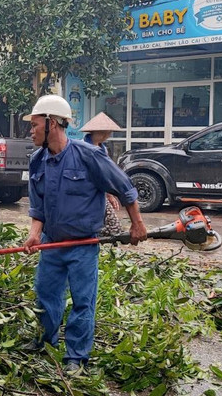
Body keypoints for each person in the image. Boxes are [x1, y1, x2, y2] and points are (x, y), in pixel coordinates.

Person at [22, 95, 147, 375]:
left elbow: (125, 188)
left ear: (51, 123)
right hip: (51, 244)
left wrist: (137, 224)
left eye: (34, 124)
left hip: (83, 245)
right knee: (45, 295)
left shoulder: (89, 156)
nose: (31, 131)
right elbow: (37, 206)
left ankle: (76, 357)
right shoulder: (37, 162)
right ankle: (46, 342)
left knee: (82, 300)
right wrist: (34, 235)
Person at [80, 112, 123, 237]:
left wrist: (109, 194)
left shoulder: (103, 149)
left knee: (114, 227)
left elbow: (105, 174)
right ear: (97, 132)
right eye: (105, 132)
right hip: (86, 193)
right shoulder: (81, 147)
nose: (107, 136)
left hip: (100, 192)